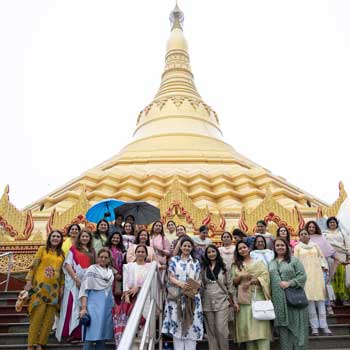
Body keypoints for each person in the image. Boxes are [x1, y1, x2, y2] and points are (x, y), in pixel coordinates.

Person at [25, 230, 65, 350]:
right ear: (49, 238)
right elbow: (34, 266)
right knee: (36, 318)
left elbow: (62, 273)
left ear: (61, 239)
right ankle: (31, 345)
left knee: (49, 321)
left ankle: (41, 344)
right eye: (54, 236)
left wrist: (62, 286)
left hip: (54, 291)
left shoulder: (61, 254)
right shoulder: (42, 250)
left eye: (58, 236)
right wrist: (28, 282)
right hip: (39, 289)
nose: (56, 238)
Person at [162, 237, 204, 350]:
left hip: (192, 297)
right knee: (178, 323)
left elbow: (199, 278)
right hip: (177, 297)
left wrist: (192, 288)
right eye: (184, 245)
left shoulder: (196, 262)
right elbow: (170, 276)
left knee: (192, 324)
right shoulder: (174, 260)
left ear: (192, 248)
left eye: (189, 246)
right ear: (180, 247)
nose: (186, 248)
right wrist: (180, 284)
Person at [269, 238, 309, 350]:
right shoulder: (271, 263)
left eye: (282, 245)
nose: (280, 247)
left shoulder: (294, 260)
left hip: (294, 301)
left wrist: (290, 283)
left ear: (287, 247)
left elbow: (303, 276)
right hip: (279, 303)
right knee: (284, 334)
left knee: (298, 331)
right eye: (277, 245)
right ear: (274, 248)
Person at [56, 229, 95, 343]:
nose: (85, 238)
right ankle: (70, 333)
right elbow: (67, 265)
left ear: (90, 239)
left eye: (87, 237)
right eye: (83, 236)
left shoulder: (92, 251)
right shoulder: (73, 249)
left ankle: (81, 334)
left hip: (87, 282)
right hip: (74, 283)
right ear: (79, 238)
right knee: (71, 306)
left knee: (84, 307)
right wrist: (76, 279)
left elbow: (94, 267)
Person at [231, 240, 271, 350]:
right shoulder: (236, 266)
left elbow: (266, 278)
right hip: (243, 300)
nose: (242, 250)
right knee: (248, 331)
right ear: (237, 252)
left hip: (258, 297)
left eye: (244, 247)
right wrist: (240, 277)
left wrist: (253, 281)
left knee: (261, 330)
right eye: (239, 249)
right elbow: (232, 283)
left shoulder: (259, 263)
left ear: (248, 249)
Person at [294, 229, 332, 335]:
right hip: (305, 277)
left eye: (305, 234)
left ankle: (324, 326)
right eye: (301, 234)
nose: (304, 235)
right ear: (299, 237)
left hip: (318, 276)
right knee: (309, 301)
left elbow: (322, 258)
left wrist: (324, 268)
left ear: (308, 236)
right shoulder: (297, 247)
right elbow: (296, 262)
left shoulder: (315, 246)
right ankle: (314, 327)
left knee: (320, 301)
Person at [114, 244, 151, 349]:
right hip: (130, 298)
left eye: (143, 252)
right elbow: (125, 283)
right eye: (138, 251)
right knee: (131, 324)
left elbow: (152, 283)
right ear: (135, 253)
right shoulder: (128, 266)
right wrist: (126, 297)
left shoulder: (150, 266)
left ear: (146, 254)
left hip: (146, 298)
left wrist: (139, 288)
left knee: (144, 325)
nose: (140, 253)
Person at [79, 248, 114, 350]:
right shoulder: (92, 269)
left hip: (106, 307)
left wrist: (113, 306)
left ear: (109, 259)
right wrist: (84, 308)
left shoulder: (110, 272)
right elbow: (85, 289)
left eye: (106, 257)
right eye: (101, 257)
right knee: (90, 336)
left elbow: (109, 290)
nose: (103, 259)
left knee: (102, 337)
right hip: (93, 306)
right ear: (97, 258)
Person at [202, 245, 233, 350]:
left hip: (222, 300)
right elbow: (201, 283)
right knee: (211, 330)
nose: (211, 254)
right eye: (209, 252)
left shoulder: (224, 267)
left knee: (221, 329)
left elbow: (230, 284)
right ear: (206, 255)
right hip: (207, 301)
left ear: (217, 252)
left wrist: (235, 301)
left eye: (213, 251)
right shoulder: (204, 268)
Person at [305, 220, 336, 314]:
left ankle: (328, 306)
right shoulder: (304, 238)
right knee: (311, 287)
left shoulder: (321, 238)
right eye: (309, 227)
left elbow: (331, 252)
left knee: (323, 286)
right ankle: (314, 308)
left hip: (322, 266)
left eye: (313, 227)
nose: (311, 229)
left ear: (316, 228)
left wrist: (333, 271)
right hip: (308, 267)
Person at [323, 216, 350, 304]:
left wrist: (348, 255)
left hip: (342, 256)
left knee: (342, 277)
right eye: (330, 222)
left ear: (336, 224)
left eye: (334, 222)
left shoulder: (342, 233)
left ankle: (343, 298)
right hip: (330, 257)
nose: (332, 223)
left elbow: (347, 245)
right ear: (328, 224)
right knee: (331, 277)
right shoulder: (324, 234)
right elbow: (324, 246)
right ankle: (332, 299)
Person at [107, 232, 126, 304]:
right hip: (109, 275)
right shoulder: (107, 249)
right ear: (110, 238)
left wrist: (121, 274)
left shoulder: (122, 250)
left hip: (119, 277)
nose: (115, 239)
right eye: (114, 238)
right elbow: (106, 262)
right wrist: (115, 273)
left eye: (117, 238)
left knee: (118, 295)